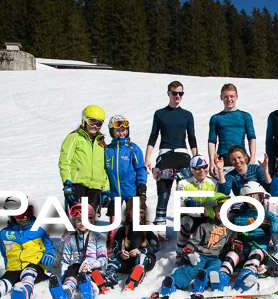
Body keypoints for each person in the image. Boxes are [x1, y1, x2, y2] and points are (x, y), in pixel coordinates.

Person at [160, 193, 236, 296]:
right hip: (201, 256)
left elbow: (233, 239)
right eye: (219, 210)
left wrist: (234, 243)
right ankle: (173, 282)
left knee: (215, 267)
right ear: (211, 211)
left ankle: (203, 280)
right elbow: (194, 241)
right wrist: (188, 250)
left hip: (216, 257)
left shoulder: (229, 227)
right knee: (190, 269)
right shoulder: (204, 226)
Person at [145, 81, 197, 229]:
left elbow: (192, 138)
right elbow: (153, 136)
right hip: (165, 155)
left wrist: (196, 158)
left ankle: (189, 227)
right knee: (163, 194)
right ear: (168, 93)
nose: (178, 96)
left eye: (181, 93)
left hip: (183, 156)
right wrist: (147, 158)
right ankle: (160, 228)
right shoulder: (160, 114)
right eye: (175, 93)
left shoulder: (187, 115)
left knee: (187, 193)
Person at [48, 203, 108, 299]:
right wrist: (64, 276)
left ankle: (89, 291)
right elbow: (65, 261)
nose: (82, 223)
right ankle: (64, 293)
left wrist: (90, 265)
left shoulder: (99, 237)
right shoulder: (69, 239)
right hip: (76, 268)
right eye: (78, 220)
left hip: (93, 268)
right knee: (71, 272)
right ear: (74, 222)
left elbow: (103, 258)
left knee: (94, 276)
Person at [58, 105, 111, 214]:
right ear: (84, 121)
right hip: (77, 185)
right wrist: (67, 183)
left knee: (90, 222)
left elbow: (104, 168)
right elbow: (65, 161)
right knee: (77, 218)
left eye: (99, 123)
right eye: (92, 122)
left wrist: (106, 189)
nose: (95, 126)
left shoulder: (100, 142)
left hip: (95, 187)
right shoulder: (74, 137)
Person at [104, 114, 147, 246]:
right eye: (118, 130)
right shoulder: (107, 150)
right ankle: (111, 247)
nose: (121, 133)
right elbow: (103, 171)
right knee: (114, 222)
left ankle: (134, 245)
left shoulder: (132, 149)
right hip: (114, 192)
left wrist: (141, 186)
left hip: (130, 191)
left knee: (132, 220)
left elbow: (140, 168)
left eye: (124, 130)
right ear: (112, 131)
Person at [105, 201, 160, 292]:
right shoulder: (122, 228)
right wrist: (121, 254)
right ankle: (109, 281)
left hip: (146, 259)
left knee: (141, 258)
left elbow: (156, 246)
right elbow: (115, 246)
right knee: (111, 260)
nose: (138, 215)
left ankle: (132, 281)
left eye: (141, 212)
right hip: (130, 260)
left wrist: (141, 251)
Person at [208, 83, 257, 177]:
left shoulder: (245, 116)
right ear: (221, 97)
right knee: (223, 189)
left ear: (236, 97)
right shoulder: (216, 118)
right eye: (226, 97)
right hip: (223, 159)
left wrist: (253, 157)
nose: (229, 99)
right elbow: (211, 141)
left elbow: (252, 138)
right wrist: (212, 162)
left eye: (231, 96)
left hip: (241, 158)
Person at [175, 155, 217, 256]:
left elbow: (217, 203)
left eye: (204, 167)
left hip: (208, 216)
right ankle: (179, 253)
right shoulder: (183, 184)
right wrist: (200, 210)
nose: (202, 170)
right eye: (198, 168)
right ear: (192, 170)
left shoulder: (214, 183)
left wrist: (205, 209)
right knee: (185, 223)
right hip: (191, 216)